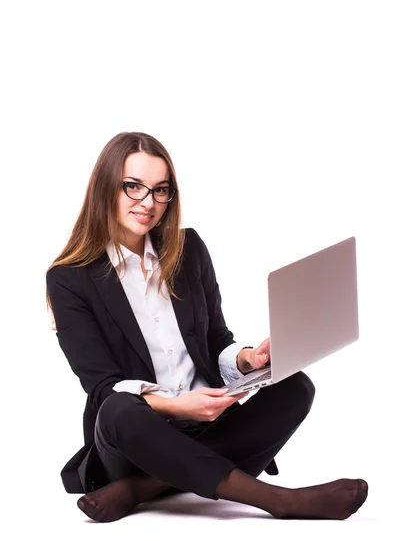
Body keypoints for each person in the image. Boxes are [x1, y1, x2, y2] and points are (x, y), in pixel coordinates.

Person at [45, 131, 368, 523]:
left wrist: (250, 359)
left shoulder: (188, 249)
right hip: (138, 437)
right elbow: (101, 386)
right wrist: (175, 406)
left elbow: (217, 340)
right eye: (134, 187)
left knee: (296, 386)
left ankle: (144, 488)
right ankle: (279, 501)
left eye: (161, 190)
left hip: (211, 425)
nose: (148, 203)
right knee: (116, 410)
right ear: (105, 187)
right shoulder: (69, 279)